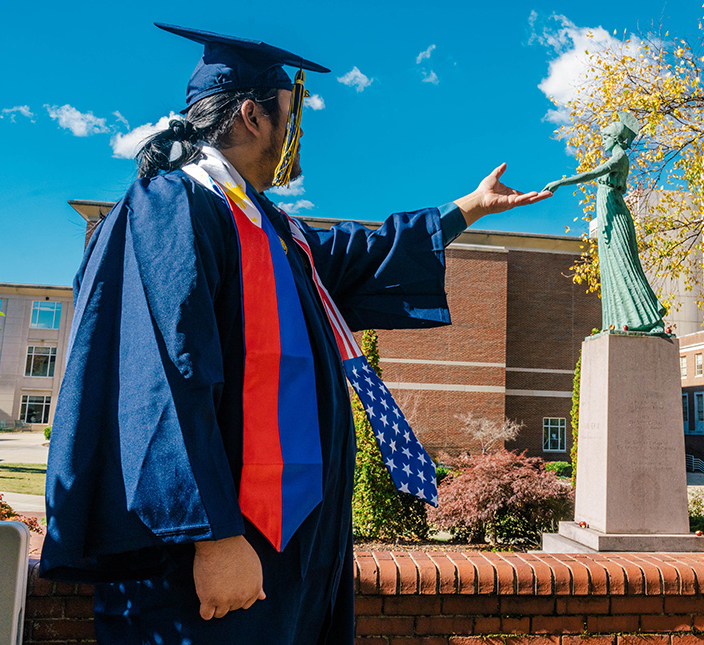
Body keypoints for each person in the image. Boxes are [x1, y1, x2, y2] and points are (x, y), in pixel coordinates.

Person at [41, 23, 550, 645]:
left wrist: (466, 208)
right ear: (253, 116)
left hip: (293, 540)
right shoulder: (171, 207)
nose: (292, 136)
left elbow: (363, 254)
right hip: (212, 554)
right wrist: (214, 537)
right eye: (289, 116)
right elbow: (157, 380)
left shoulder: (275, 231)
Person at [544, 114, 667, 335]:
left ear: (617, 139)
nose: (603, 141)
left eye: (606, 136)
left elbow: (592, 174)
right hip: (608, 216)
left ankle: (651, 319)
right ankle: (620, 321)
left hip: (616, 215)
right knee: (612, 269)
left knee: (624, 266)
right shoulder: (616, 156)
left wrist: (561, 182)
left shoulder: (619, 158)